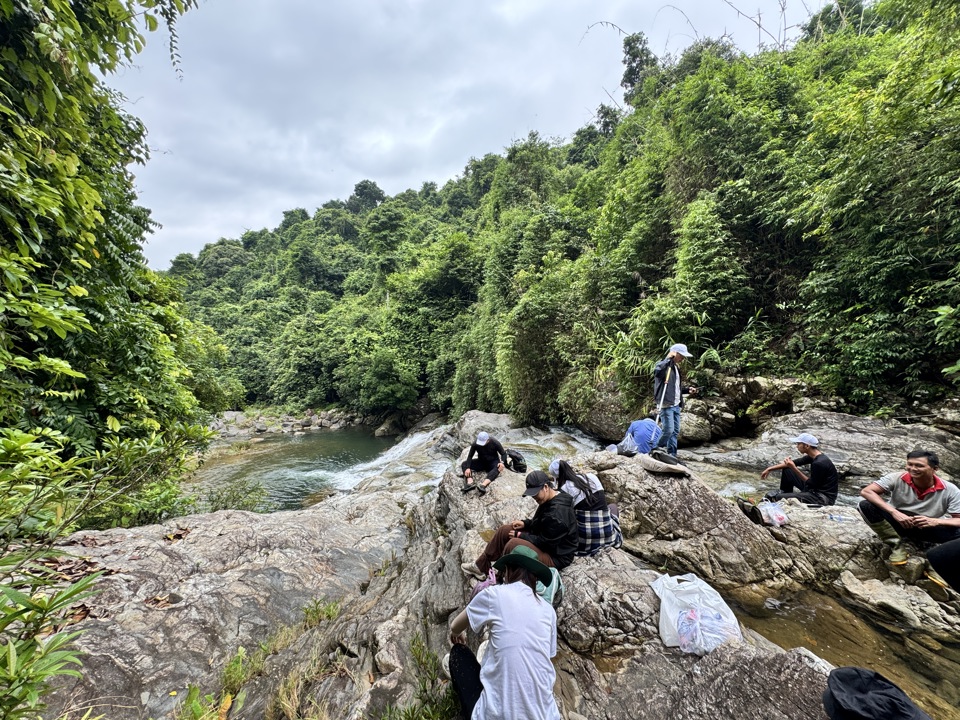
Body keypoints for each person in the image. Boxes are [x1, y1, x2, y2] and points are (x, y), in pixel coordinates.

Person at [448, 545, 562, 720]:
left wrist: (456, 635)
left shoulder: (494, 594)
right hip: (546, 715)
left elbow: (456, 626)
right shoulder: (548, 611)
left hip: (496, 715)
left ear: (508, 571)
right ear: (535, 578)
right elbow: (547, 656)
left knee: (457, 654)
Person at [858, 450, 960, 584]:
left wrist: (934, 521)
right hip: (897, 523)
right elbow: (867, 491)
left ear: (935, 469)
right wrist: (895, 512)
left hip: (926, 527)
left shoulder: (951, 490)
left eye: (919, 465)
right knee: (866, 505)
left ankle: (939, 561)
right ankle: (896, 545)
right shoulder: (897, 478)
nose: (913, 469)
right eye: (910, 464)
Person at [460, 471, 578, 579]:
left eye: (535, 493)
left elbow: (545, 543)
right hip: (546, 541)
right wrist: (525, 524)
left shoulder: (557, 514)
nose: (534, 497)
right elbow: (544, 524)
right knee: (504, 530)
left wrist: (520, 535)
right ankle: (481, 566)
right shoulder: (552, 498)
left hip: (555, 556)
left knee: (514, 544)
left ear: (546, 487)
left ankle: (502, 577)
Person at [548, 459, 622, 556]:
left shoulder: (563, 490)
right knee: (612, 506)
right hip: (609, 537)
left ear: (556, 478)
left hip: (586, 543)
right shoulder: (592, 477)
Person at [759, 433, 839, 507]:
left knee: (776, 497)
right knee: (788, 470)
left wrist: (793, 467)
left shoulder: (819, 463)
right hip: (814, 490)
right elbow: (792, 463)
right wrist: (769, 469)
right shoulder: (813, 456)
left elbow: (811, 483)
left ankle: (782, 497)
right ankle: (785, 494)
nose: (797, 446)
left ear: (807, 446)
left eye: (798, 444)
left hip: (822, 498)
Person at [652, 343, 698, 458]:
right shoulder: (664, 366)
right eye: (681, 355)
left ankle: (672, 454)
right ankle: (656, 448)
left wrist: (688, 390)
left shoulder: (676, 368)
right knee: (668, 430)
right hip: (666, 404)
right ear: (674, 353)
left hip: (676, 404)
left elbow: (675, 388)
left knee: (675, 431)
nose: (683, 358)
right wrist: (668, 358)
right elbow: (657, 371)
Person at [461, 431, 508, 495]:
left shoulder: (494, 442)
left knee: (498, 467)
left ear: (488, 440)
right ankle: (470, 482)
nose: (480, 444)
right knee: (464, 464)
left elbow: (503, 454)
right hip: (481, 462)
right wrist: (468, 468)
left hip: (493, 462)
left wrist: (502, 462)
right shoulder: (475, 443)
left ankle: (483, 485)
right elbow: (470, 456)